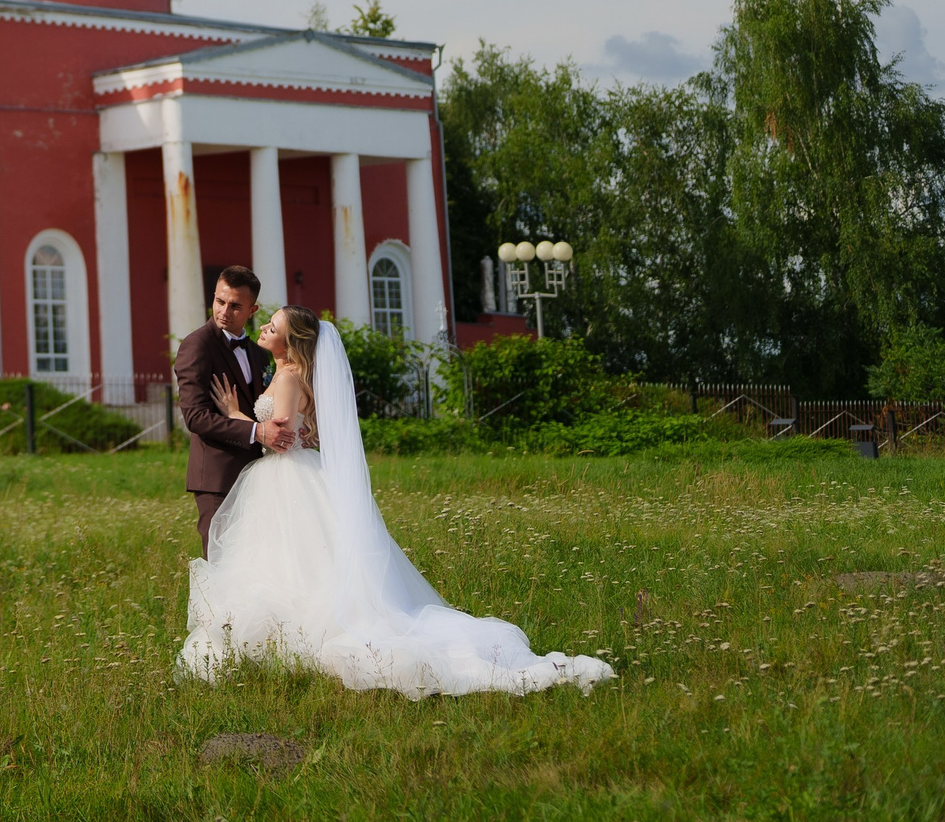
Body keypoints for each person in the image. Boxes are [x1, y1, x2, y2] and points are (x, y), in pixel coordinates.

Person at [180, 304, 616, 697]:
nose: (264, 327)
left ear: (290, 341)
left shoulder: (290, 375)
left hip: (286, 476)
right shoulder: (286, 372)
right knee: (294, 558)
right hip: (291, 476)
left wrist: (238, 416)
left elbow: (282, 435)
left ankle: (297, 637)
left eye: (272, 325)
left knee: (298, 561)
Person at [174, 268, 293, 554]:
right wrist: (257, 431)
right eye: (219, 301)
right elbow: (196, 417)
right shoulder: (197, 345)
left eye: (235, 305)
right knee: (220, 561)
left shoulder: (258, 352)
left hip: (259, 475)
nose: (224, 311)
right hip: (218, 476)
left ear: (252, 309)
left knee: (255, 563)